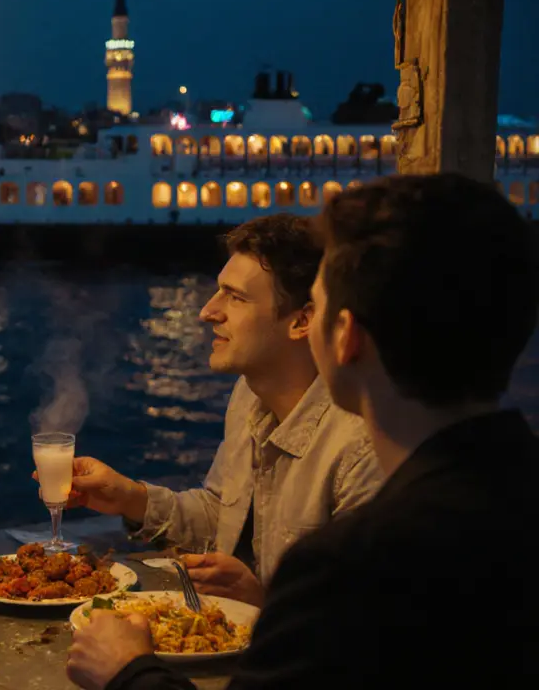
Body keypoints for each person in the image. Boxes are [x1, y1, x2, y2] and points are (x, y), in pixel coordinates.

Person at [68, 173, 539, 689]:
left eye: (321, 305)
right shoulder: (512, 487)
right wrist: (133, 497)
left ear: (344, 336)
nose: (207, 312)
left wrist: (128, 672)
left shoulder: (353, 562)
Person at [60, 214, 382, 606]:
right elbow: (221, 518)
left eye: (236, 297)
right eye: (218, 292)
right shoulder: (248, 395)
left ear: (303, 320)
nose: (208, 311)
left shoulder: (362, 449)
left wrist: (263, 602)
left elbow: (370, 623)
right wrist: (131, 498)